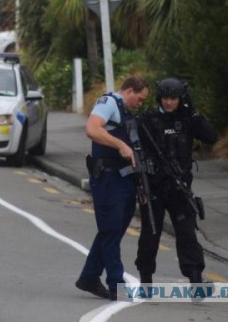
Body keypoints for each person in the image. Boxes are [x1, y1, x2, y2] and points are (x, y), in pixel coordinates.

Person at [135, 78, 218, 284]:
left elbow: (211, 136)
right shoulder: (148, 120)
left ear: (181, 99)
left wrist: (194, 113)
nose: (169, 103)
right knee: (150, 235)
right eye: (165, 98)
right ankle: (146, 277)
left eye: (173, 98)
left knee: (187, 234)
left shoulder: (188, 119)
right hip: (154, 188)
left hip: (179, 188)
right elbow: (133, 149)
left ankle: (195, 277)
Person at [76, 75, 150, 301]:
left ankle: (89, 277)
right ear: (128, 91)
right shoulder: (109, 103)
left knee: (114, 230)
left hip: (124, 178)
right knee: (110, 230)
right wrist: (120, 145)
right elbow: (92, 129)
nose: (140, 103)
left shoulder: (127, 112)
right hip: (107, 179)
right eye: (139, 98)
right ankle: (117, 284)